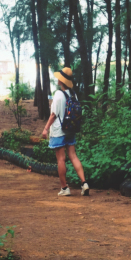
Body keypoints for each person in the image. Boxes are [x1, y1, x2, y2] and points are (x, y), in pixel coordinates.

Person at [41, 67, 89, 196]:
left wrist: (45, 129)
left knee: (61, 159)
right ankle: (84, 183)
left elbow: (53, 115)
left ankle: (64, 188)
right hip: (71, 129)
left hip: (59, 131)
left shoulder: (58, 94)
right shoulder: (73, 94)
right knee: (73, 156)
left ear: (61, 81)